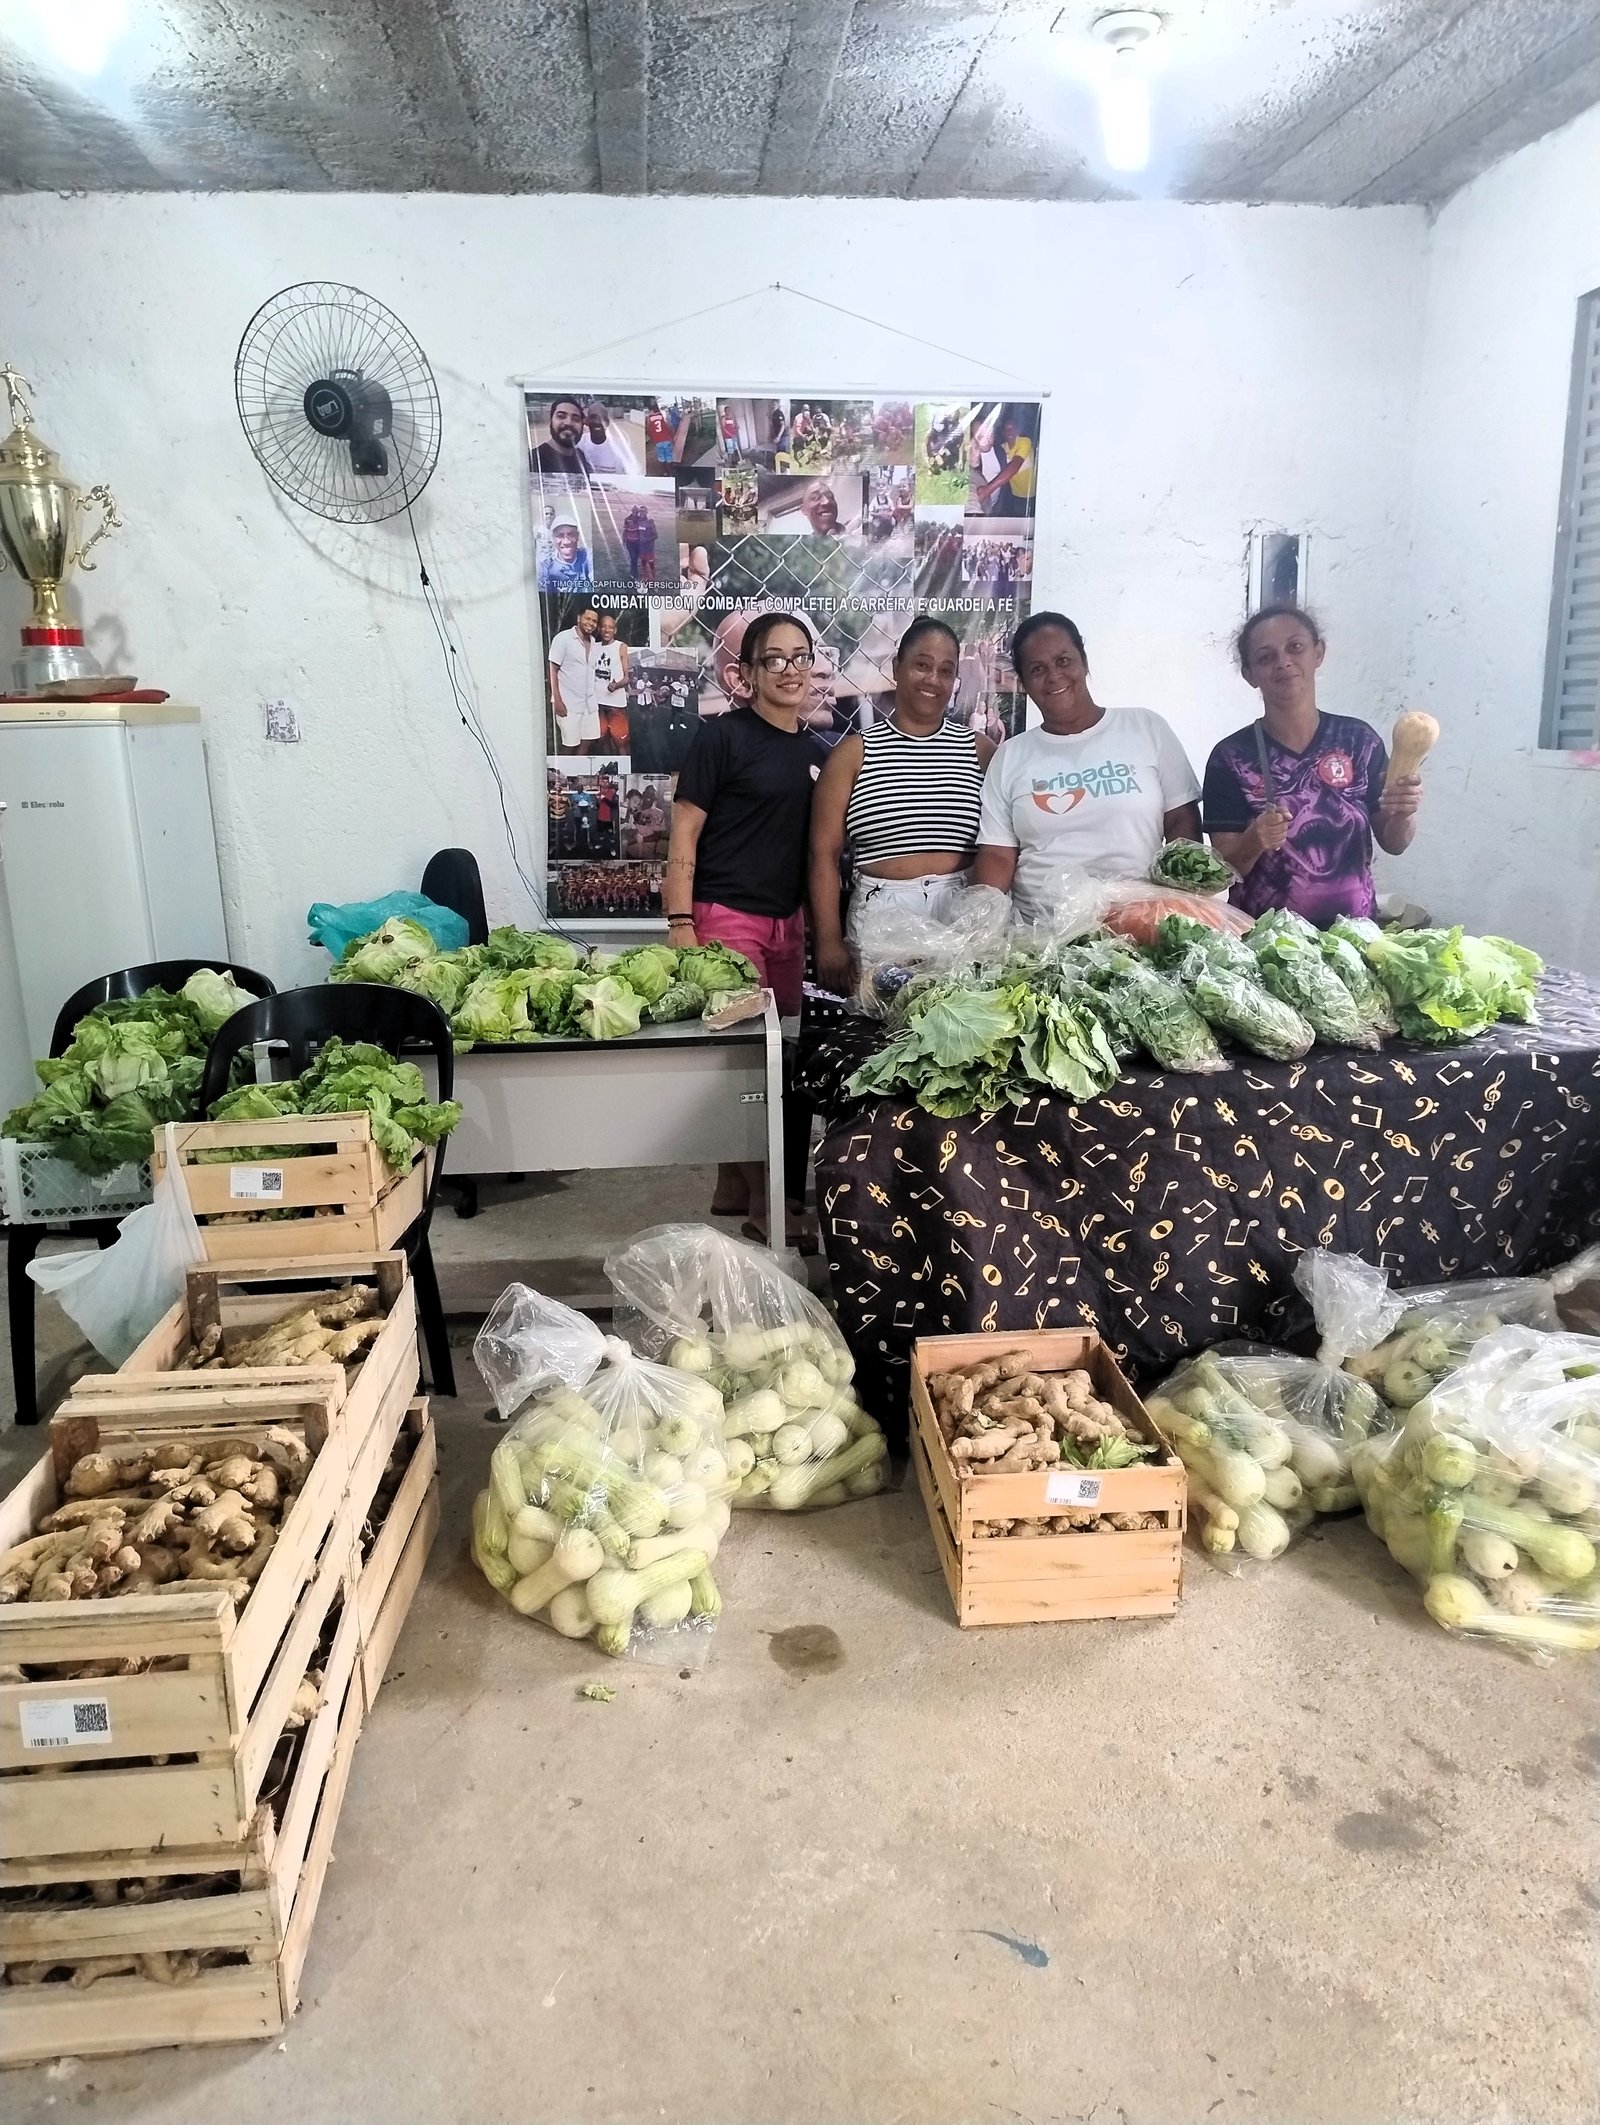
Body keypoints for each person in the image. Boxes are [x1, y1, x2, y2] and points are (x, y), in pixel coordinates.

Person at [665, 611, 827, 1245]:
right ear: (746, 675)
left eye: (800, 657)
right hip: (726, 920)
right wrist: (679, 922)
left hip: (790, 926)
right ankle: (767, 1206)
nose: (790, 670)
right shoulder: (721, 739)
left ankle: (734, 1184)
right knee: (754, 1069)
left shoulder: (816, 750)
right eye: (774, 660)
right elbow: (684, 833)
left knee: (772, 1062)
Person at [972, 611, 1201, 923]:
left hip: (1142, 926)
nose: (1053, 676)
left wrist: (1177, 911)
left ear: (1084, 661)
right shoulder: (1010, 756)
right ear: (1023, 683)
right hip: (1041, 937)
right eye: (1037, 669)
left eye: (1063, 661)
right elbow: (998, 854)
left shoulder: (1146, 728)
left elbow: (1181, 824)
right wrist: (979, 925)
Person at [1203, 605, 1422, 927]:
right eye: (1266, 657)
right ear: (1249, 674)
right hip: (1266, 946)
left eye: (1296, 647)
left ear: (1318, 652)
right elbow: (1220, 874)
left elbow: (1395, 842)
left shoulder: (1358, 741)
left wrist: (1404, 811)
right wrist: (1254, 840)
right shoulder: (1231, 757)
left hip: (1355, 940)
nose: (1284, 662)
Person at [808, 617, 993, 995]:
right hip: (882, 919)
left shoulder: (979, 750)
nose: (932, 679)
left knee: (961, 1034)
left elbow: (1006, 846)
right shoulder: (854, 754)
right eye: (922, 665)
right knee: (884, 1039)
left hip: (962, 916)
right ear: (897, 667)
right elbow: (822, 856)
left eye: (946, 670)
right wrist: (829, 942)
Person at [532, 396, 637, 479]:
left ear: (582, 423)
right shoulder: (533, 461)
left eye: (575, 418)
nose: (568, 422)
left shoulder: (580, 457)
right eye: (561, 416)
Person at [548, 606, 601, 752]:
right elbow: (552, 668)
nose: (590, 623)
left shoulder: (594, 643)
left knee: (588, 741)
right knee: (569, 745)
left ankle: (578, 772)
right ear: (579, 618)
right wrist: (557, 700)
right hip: (569, 703)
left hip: (589, 704)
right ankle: (565, 774)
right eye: (587, 618)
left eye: (594, 621)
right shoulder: (563, 638)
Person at [593, 614, 631, 752]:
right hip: (597, 705)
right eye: (603, 626)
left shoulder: (621, 646)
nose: (607, 630)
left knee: (621, 742)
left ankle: (624, 771)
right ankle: (606, 770)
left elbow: (627, 678)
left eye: (610, 627)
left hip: (616, 705)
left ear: (615, 630)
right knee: (601, 741)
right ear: (599, 629)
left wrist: (616, 685)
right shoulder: (593, 646)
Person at [538, 511, 592, 594]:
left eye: (571, 534)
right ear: (553, 539)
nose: (566, 542)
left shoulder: (587, 556)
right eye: (560, 535)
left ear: (578, 536)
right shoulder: (546, 567)